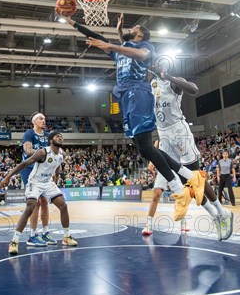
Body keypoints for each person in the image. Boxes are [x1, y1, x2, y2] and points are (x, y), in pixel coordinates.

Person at [60, 14, 205, 220]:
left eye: (134, 27)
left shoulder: (147, 46)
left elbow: (140, 55)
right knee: (143, 149)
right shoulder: (122, 52)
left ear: (141, 35)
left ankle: (178, 187)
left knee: (146, 147)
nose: (130, 28)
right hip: (127, 98)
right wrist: (71, 22)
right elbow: (96, 36)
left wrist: (112, 45)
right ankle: (188, 178)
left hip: (139, 93)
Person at [142, 71, 233, 241]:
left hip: (179, 132)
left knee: (196, 177)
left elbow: (194, 89)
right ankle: (215, 216)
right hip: (164, 135)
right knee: (187, 185)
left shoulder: (173, 82)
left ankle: (222, 212)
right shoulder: (149, 87)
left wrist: (167, 76)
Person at [1, 131, 78, 254]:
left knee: (63, 205)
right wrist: (7, 177)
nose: (61, 138)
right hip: (35, 182)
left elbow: (57, 165)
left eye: (62, 137)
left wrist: (56, 176)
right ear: (51, 140)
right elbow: (25, 163)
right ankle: (14, 242)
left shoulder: (61, 154)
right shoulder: (43, 152)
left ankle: (66, 237)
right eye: (58, 136)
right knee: (30, 207)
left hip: (48, 183)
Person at [21, 112, 56, 246]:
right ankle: (32, 235)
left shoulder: (48, 136)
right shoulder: (29, 133)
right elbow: (28, 150)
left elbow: (55, 151)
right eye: (41, 118)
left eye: (44, 119)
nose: (43, 121)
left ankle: (45, 232)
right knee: (35, 203)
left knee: (45, 201)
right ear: (34, 121)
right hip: (29, 171)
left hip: (42, 171)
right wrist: (42, 152)